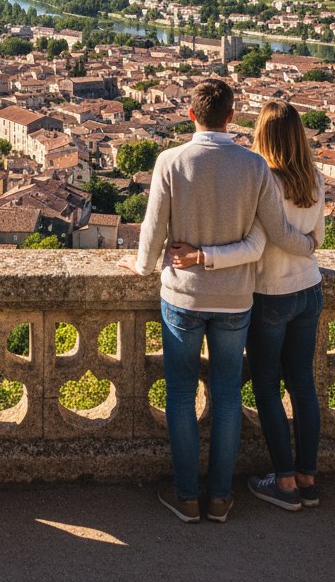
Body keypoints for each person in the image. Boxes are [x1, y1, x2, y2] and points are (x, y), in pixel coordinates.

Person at [121, 79, 319, 524]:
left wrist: (142, 265)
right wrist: (309, 245)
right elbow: (275, 233)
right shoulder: (254, 166)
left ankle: (186, 497)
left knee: (180, 395)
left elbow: (153, 229)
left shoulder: (170, 161)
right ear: (231, 117)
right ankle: (220, 498)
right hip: (235, 300)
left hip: (183, 296)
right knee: (229, 396)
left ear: (191, 114)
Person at [244, 100, 324, 510]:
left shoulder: (263, 181)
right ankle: (308, 478)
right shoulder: (315, 177)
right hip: (309, 288)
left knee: (266, 386)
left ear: (264, 135)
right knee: (302, 385)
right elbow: (317, 239)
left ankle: (286, 483)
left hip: (270, 292)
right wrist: (307, 246)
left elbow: (265, 238)